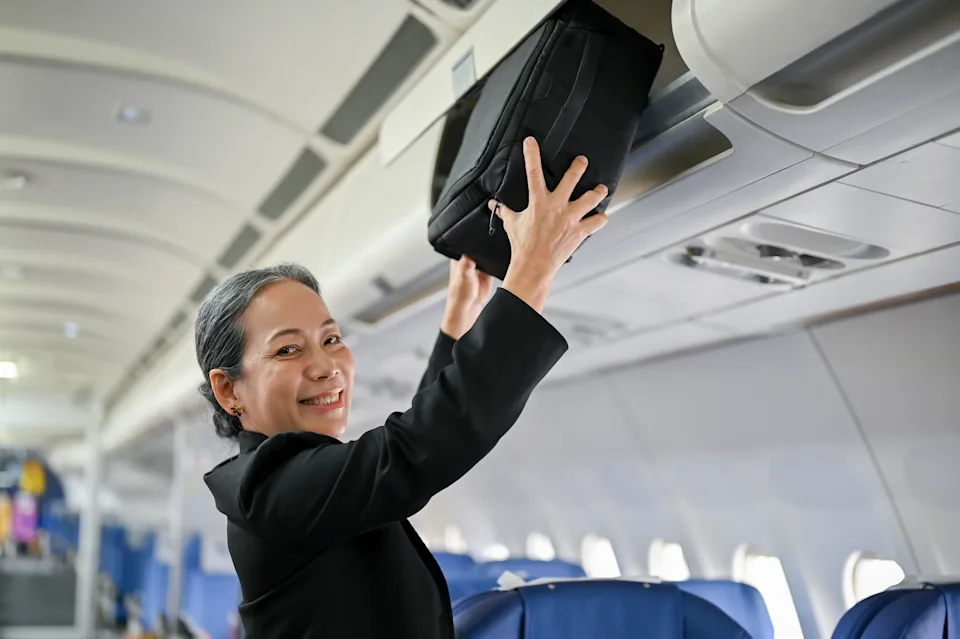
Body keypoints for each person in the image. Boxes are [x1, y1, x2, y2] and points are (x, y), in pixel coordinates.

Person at [198, 137, 609, 638]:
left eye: (331, 339)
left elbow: (402, 451)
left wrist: (456, 325)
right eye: (288, 349)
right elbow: (413, 452)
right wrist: (530, 273)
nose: (327, 366)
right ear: (228, 390)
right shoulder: (268, 492)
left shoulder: (292, 483)